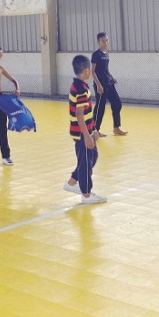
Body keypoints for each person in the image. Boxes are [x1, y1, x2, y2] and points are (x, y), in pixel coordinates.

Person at [63, 55, 107, 205]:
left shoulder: (80, 85)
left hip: (86, 130)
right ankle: (86, 194)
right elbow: (79, 114)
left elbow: (87, 113)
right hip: (82, 133)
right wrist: (87, 136)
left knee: (91, 157)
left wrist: (93, 129)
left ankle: (72, 182)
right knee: (86, 162)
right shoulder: (81, 89)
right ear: (87, 70)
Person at [91, 32, 127, 137]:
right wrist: (98, 85)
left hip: (109, 83)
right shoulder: (96, 54)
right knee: (100, 108)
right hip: (101, 85)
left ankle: (116, 128)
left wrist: (111, 77)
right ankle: (95, 131)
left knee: (117, 103)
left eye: (107, 40)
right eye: (103, 41)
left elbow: (105, 69)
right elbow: (92, 71)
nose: (106, 42)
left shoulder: (106, 53)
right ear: (98, 42)